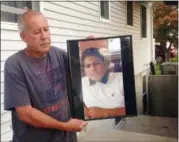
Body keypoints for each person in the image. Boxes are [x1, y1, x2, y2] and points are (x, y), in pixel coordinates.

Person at [4, 10, 87, 142]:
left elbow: (84, 72)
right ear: (23, 36)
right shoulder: (15, 64)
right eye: (37, 32)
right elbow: (26, 114)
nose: (44, 36)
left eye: (46, 29)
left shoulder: (60, 55)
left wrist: (89, 49)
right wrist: (64, 126)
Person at [81, 48, 126, 119]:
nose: (93, 68)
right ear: (84, 70)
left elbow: (133, 108)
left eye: (97, 63)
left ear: (105, 65)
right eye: (88, 66)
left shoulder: (121, 79)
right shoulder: (81, 83)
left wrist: (105, 112)